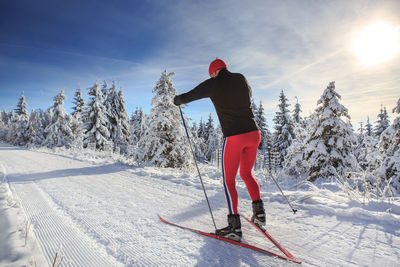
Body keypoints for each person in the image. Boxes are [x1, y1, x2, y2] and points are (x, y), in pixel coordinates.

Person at [173, 58, 265, 242]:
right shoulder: (241, 78)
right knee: (247, 173)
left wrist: (178, 100)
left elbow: (193, 94)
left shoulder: (214, 84)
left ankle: (234, 228)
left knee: (229, 181)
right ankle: (260, 215)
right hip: (254, 134)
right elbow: (248, 94)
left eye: (211, 74)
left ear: (214, 72)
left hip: (234, 136)